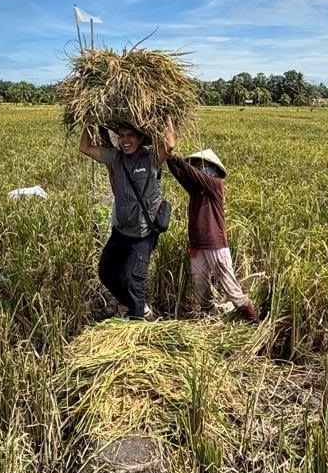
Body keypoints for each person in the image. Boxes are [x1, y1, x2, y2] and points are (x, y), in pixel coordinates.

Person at [78, 121, 174, 320]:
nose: (125, 140)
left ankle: (137, 322)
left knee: (133, 281)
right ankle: (139, 308)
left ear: (141, 138)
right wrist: (88, 121)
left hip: (143, 234)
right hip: (121, 232)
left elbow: (169, 145)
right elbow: (84, 148)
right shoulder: (115, 159)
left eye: (130, 135)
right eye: (121, 136)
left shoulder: (151, 159)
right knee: (105, 272)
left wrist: (166, 117)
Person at [167, 149, 260, 323]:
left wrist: (176, 158)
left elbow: (190, 173)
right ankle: (212, 315)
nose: (194, 168)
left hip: (215, 244)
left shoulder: (215, 184)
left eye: (198, 165)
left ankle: (254, 322)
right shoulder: (195, 190)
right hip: (197, 243)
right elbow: (182, 175)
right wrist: (168, 159)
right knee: (200, 286)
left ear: (210, 168)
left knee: (230, 287)